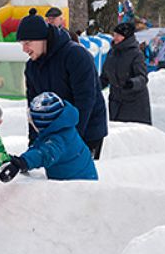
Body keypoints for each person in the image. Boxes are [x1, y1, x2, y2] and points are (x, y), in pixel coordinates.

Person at [19, 8, 108, 159]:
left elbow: (85, 100)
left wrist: (73, 139)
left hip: (87, 131)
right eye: (22, 43)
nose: (24, 49)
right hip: (56, 133)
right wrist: (33, 145)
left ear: (43, 38)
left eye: (28, 43)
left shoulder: (76, 56)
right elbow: (34, 108)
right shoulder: (32, 67)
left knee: (78, 177)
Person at [0, 92, 98, 182]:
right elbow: (39, 147)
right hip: (78, 178)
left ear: (42, 124)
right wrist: (22, 160)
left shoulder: (58, 139)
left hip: (79, 187)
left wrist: (23, 163)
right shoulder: (62, 128)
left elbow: (44, 154)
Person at [99, 22, 152, 125]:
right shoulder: (112, 53)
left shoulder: (136, 54)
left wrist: (132, 83)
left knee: (133, 136)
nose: (115, 38)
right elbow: (105, 76)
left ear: (126, 37)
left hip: (134, 103)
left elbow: (142, 77)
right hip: (116, 102)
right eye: (114, 35)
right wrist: (94, 85)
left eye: (118, 35)